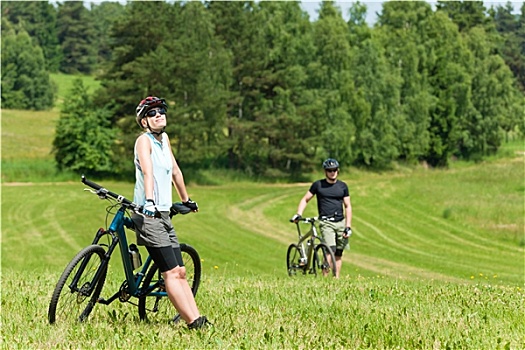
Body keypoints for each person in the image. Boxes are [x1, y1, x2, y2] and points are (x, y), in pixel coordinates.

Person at [131, 96, 210, 329]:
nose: (159, 115)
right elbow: (148, 171)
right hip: (148, 213)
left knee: (181, 271)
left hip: (163, 213)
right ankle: (194, 323)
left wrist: (186, 199)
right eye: (153, 113)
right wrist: (148, 201)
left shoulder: (164, 139)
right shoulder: (143, 141)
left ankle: (198, 317)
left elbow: (175, 171)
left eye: (161, 111)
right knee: (171, 273)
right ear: (144, 121)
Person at [291, 158, 352, 278]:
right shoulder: (318, 185)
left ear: (338, 171)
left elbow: (348, 206)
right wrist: (299, 213)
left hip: (340, 222)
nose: (332, 172)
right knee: (330, 250)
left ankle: (336, 279)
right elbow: (305, 199)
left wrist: (348, 226)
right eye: (329, 170)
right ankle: (324, 278)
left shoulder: (343, 186)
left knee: (339, 253)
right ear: (325, 171)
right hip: (326, 222)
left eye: (334, 170)